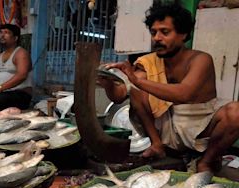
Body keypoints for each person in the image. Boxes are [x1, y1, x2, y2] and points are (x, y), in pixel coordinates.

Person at [97, 2, 239, 173]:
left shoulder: (201, 60)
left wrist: (136, 80)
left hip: (200, 125)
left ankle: (206, 161)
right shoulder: (148, 62)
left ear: (183, 34)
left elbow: (184, 93)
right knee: (137, 90)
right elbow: (119, 96)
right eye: (153, 32)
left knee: (236, 113)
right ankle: (157, 146)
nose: (157, 37)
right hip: (167, 128)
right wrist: (108, 83)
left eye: (164, 32)